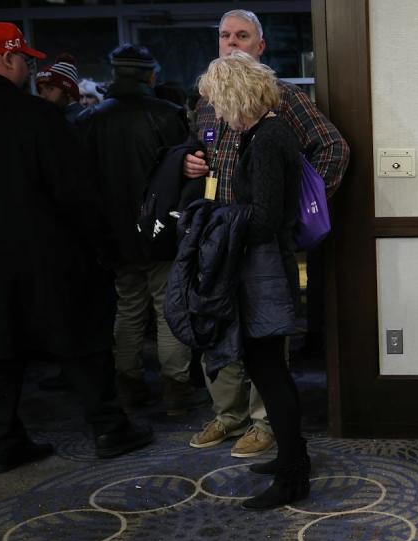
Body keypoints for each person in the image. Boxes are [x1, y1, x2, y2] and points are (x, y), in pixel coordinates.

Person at [0, 22, 152, 472]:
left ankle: (3, 443)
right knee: (79, 338)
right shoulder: (38, 117)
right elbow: (75, 193)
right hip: (47, 253)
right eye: (26, 59)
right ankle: (110, 428)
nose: (29, 67)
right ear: (9, 59)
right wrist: (101, 246)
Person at [183, 9, 349, 458]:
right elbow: (199, 153)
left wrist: (298, 212)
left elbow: (333, 146)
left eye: (242, 35)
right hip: (217, 238)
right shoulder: (206, 98)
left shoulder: (279, 98)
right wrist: (190, 164)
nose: (232, 42)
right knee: (219, 326)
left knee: (263, 334)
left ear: (261, 45)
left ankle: (264, 423)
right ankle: (228, 414)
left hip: (260, 239)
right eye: (224, 35)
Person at [194, 52, 307, 510]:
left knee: (270, 373)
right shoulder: (265, 132)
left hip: (265, 273)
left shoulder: (265, 138)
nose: (216, 115)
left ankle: (294, 476)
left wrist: (217, 218)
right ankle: (291, 460)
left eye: (218, 104)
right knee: (272, 372)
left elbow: (263, 219)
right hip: (266, 268)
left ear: (235, 97)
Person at [76, 44, 206, 417]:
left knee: (128, 309)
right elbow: (189, 173)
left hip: (112, 236)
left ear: (115, 75)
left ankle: (129, 386)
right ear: (150, 76)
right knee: (169, 310)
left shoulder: (88, 121)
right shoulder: (168, 116)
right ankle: (176, 391)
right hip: (161, 231)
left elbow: (81, 184)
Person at [35, 53, 84, 123]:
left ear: (68, 91)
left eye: (50, 89)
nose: (42, 96)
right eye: (40, 90)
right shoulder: (55, 117)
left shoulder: (79, 121)